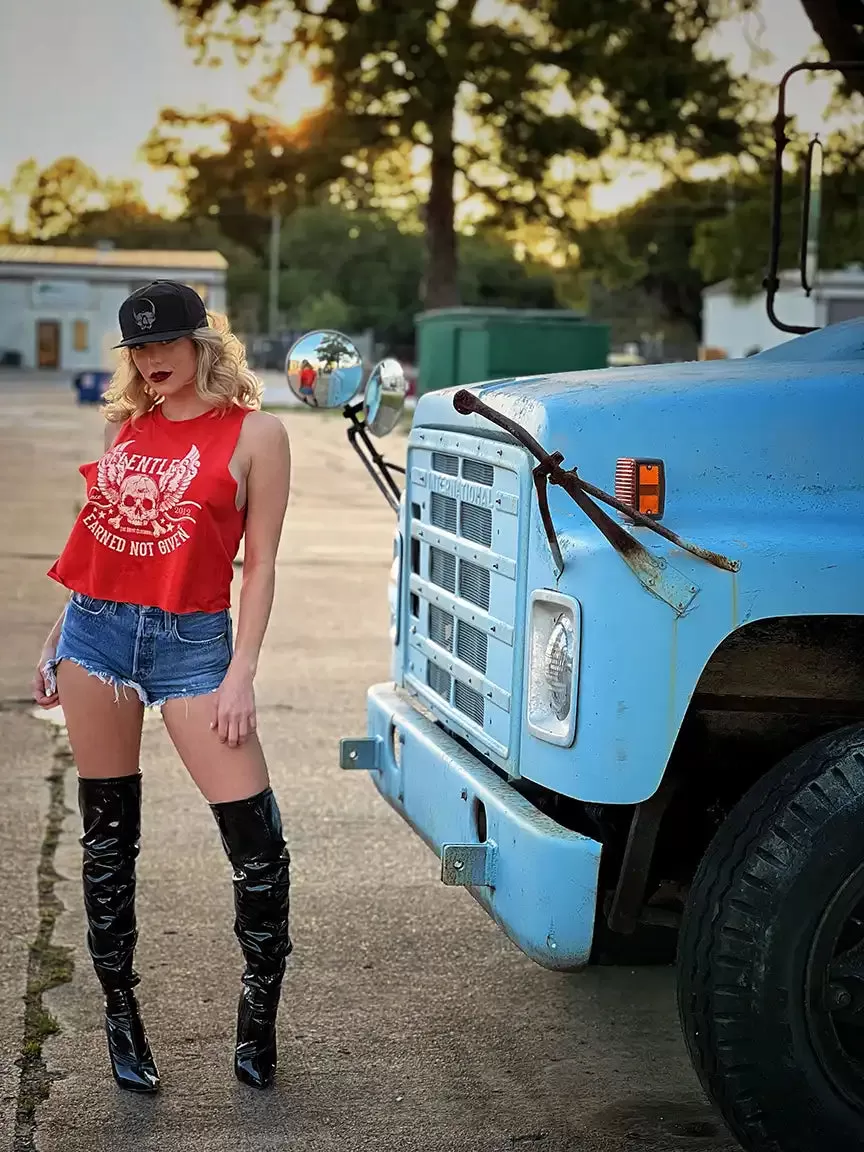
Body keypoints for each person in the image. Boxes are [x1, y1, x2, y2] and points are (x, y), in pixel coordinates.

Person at [30, 280, 293, 1094]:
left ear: (203, 343)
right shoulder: (122, 425)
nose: (150, 362)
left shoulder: (259, 433)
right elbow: (95, 536)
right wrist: (55, 635)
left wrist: (242, 668)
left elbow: (261, 565)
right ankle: (121, 1018)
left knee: (259, 851)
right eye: (138, 350)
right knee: (108, 843)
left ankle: (258, 1020)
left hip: (194, 649)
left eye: (164, 345)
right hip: (96, 638)